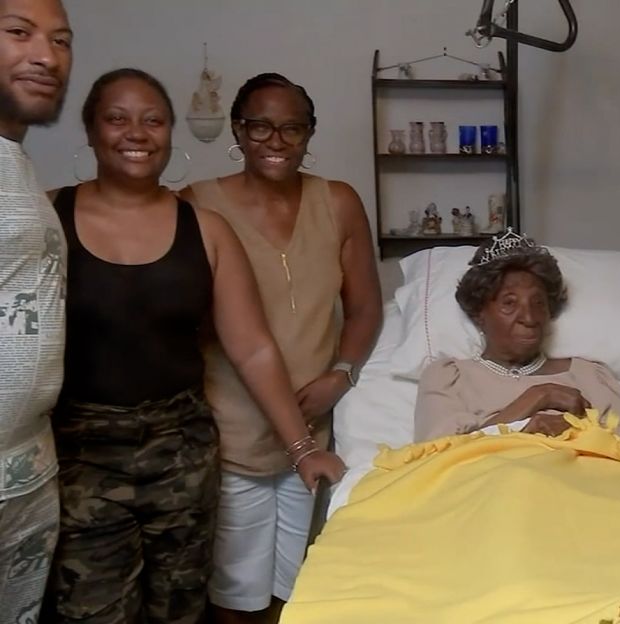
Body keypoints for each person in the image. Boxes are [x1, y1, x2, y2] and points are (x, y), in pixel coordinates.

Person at [45, 68, 345, 624]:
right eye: (117, 118)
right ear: (89, 130)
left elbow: (252, 348)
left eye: (153, 120)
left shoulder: (205, 228)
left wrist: (302, 450)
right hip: (80, 458)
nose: (137, 132)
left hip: (182, 452)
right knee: (91, 610)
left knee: (182, 610)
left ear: (169, 133)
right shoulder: (47, 217)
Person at [181, 72, 382, 624]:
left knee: (298, 593)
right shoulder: (197, 206)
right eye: (261, 127)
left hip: (312, 425)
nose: (276, 141)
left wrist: (340, 374)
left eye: (292, 128)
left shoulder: (338, 202)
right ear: (237, 130)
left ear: (310, 133)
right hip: (233, 431)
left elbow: (365, 307)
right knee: (233, 595)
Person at [414, 230, 620, 444]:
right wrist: (539, 397)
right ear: (479, 313)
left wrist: (580, 432)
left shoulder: (588, 375)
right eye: (509, 303)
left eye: (538, 303)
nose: (529, 318)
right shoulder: (449, 378)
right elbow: (440, 456)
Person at [0, 0, 72, 621]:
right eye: (19, 33)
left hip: (27, 469)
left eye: (60, 39)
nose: (46, 56)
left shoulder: (18, 167)